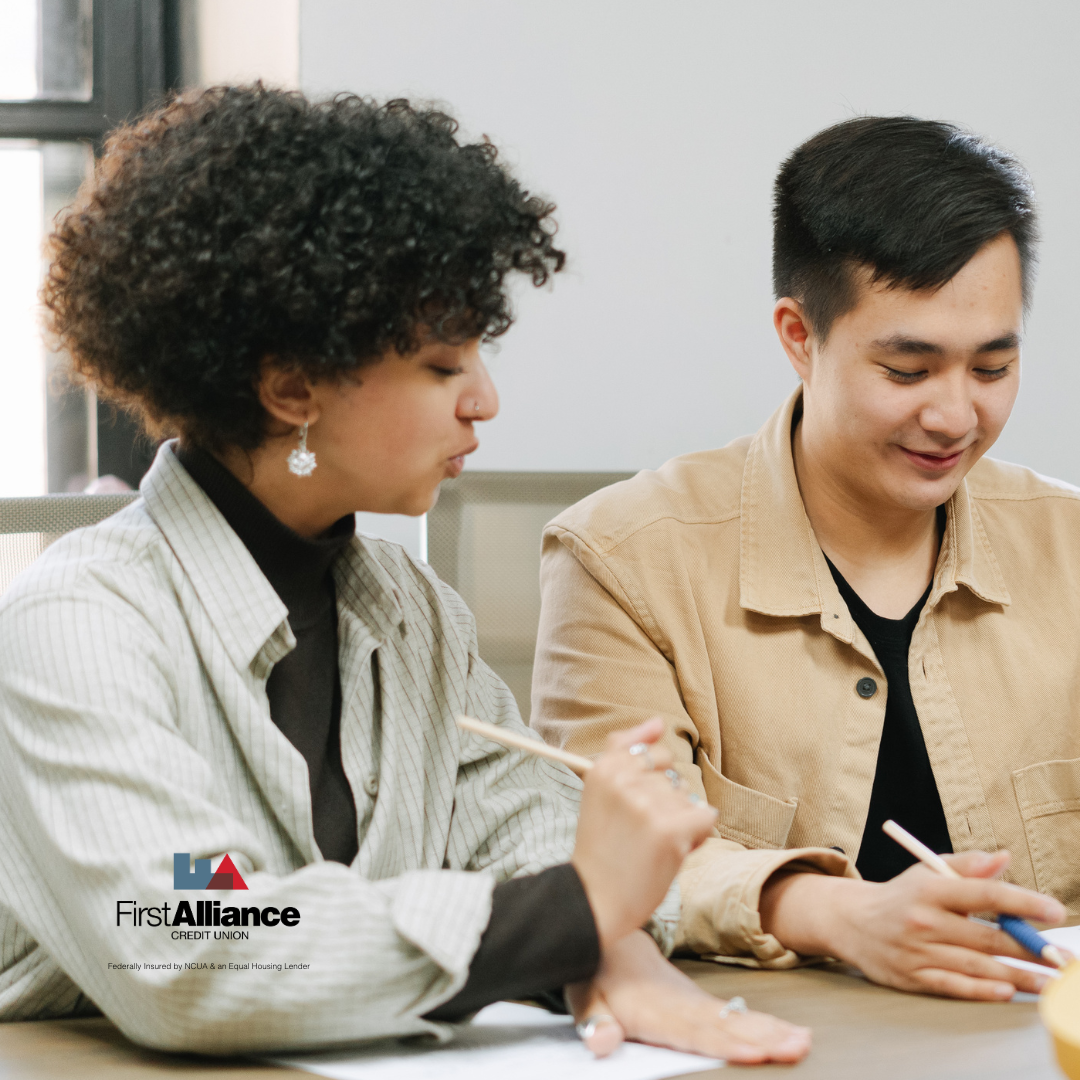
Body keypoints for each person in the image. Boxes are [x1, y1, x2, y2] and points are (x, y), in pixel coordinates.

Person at [0, 86, 811, 1063]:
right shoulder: (78, 626)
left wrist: (605, 940)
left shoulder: (413, 609)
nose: (486, 400)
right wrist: (579, 908)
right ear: (292, 386)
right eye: (439, 365)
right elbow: (195, 945)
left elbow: (526, 823)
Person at [532, 116, 1074, 1001]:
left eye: (992, 367)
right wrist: (825, 909)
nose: (954, 415)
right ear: (798, 335)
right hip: (767, 1040)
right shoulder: (624, 558)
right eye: (908, 370)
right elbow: (597, 859)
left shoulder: (1070, 547)